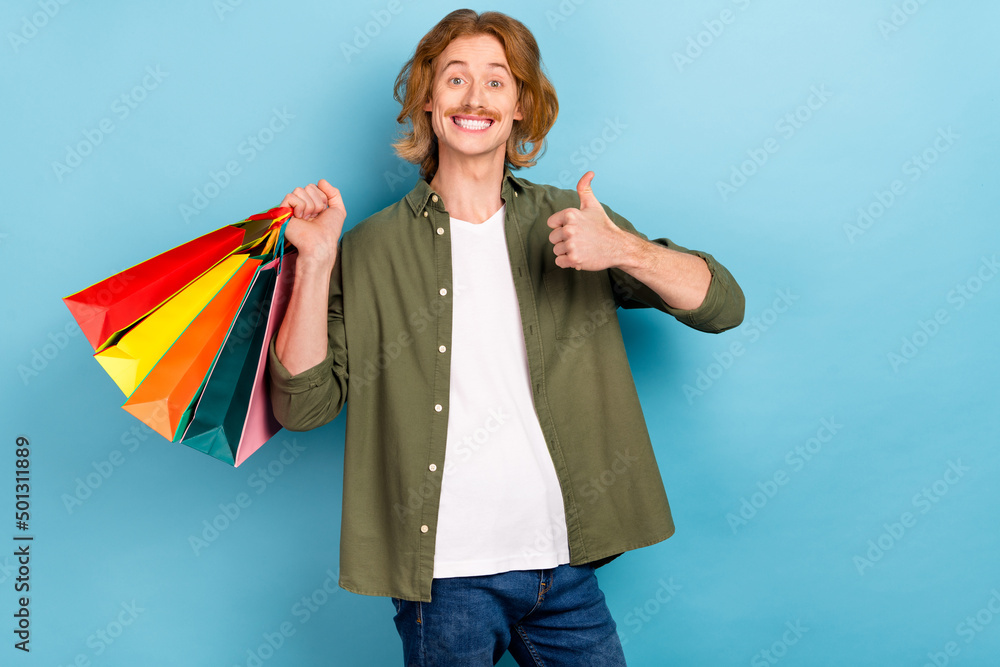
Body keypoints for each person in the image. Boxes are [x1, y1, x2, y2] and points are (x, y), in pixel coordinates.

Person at [268, 9, 744, 666]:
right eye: (455, 78)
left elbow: (722, 304)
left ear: (520, 106)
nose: (474, 97)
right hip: (444, 578)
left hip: (566, 566)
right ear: (428, 102)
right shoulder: (371, 249)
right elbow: (302, 405)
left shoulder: (571, 221)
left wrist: (624, 249)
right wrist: (316, 263)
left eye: (497, 81)